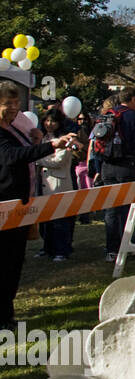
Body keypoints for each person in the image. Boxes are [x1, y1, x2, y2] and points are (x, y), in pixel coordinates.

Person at [0, 82, 81, 327]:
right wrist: (49, 145)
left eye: (16, 104)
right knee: (3, 262)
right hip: (3, 205)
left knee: (13, 261)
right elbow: (11, 157)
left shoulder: (14, 128)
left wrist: (37, 139)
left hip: (18, 204)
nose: (14, 109)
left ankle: (7, 313)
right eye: (8, 104)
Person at [96, 87, 135, 262]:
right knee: (132, 207)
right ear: (133, 99)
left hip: (107, 165)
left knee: (111, 209)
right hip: (128, 165)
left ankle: (112, 249)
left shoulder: (108, 114)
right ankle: (134, 246)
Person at [36, 111, 77, 260]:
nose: (49, 124)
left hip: (59, 182)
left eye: (53, 121)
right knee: (46, 219)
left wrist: (38, 159)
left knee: (60, 219)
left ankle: (62, 250)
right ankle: (47, 248)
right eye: (46, 121)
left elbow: (59, 161)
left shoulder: (66, 139)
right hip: (44, 182)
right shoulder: (42, 138)